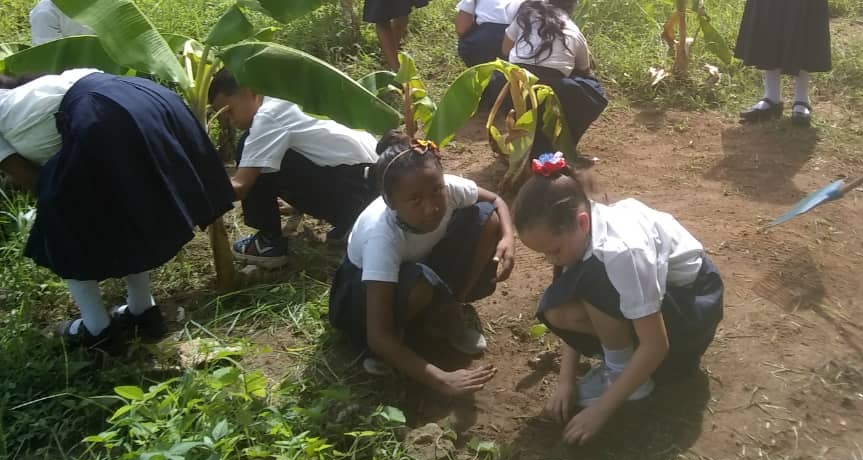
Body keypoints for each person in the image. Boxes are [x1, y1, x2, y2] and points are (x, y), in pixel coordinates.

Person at [0, 69, 233, 352]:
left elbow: (31, 179)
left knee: (60, 222)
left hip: (102, 113)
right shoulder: (33, 88)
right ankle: (143, 311)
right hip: (145, 96)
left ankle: (97, 330)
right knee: (123, 214)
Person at [513, 153, 724, 444]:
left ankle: (624, 376)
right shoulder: (578, 234)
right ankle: (621, 362)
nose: (551, 259)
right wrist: (566, 380)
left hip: (692, 310)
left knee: (593, 282)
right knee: (559, 308)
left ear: (582, 221)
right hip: (664, 301)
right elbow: (573, 296)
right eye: (544, 255)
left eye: (555, 251)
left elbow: (656, 344)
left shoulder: (620, 252)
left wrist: (600, 410)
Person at [328, 133, 516, 393]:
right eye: (415, 200)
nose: (432, 207)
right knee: (418, 284)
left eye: (436, 191)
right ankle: (398, 339)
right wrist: (442, 379)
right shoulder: (381, 236)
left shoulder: (447, 189)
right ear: (391, 202)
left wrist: (507, 237)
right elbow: (378, 335)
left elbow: (496, 201)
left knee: (487, 220)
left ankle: (450, 309)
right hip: (364, 296)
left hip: (420, 267)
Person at [207, 69, 380, 268]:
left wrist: (198, 191)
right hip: (369, 187)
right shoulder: (286, 97)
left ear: (250, 91)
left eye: (230, 111)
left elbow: (241, 186)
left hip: (357, 191)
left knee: (250, 149)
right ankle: (349, 221)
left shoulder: (268, 116)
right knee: (260, 150)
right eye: (223, 116)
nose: (230, 120)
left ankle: (268, 242)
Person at [501, 0, 607, 155]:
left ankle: (521, 138)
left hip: (513, 87)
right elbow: (585, 71)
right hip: (553, 91)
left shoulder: (524, 16)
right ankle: (563, 142)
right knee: (593, 90)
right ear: (570, 6)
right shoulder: (572, 29)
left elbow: (505, 49)